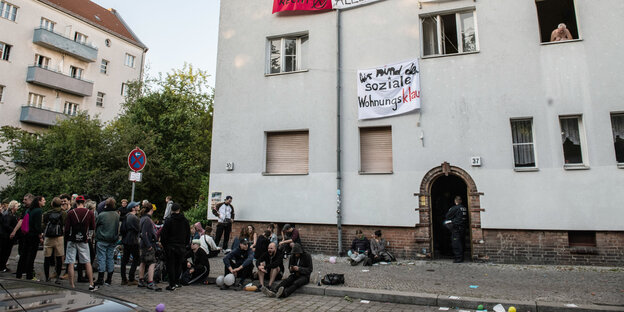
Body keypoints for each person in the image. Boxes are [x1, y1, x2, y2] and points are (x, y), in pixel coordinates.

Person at [64, 196, 97, 291]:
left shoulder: (71, 213)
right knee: (87, 261)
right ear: (84, 202)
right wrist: (89, 237)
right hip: (84, 239)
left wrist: (66, 240)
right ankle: (91, 283)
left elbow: (66, 229)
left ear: (76, 202)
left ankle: (72, 285)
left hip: (72, 239)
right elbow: (92, 227)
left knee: (71, 262)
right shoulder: (89, 213)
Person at [160, 203, 190, 291]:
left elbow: (164, 235)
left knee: (171, 265)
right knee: (178, 265)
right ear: (179, 210)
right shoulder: (185, 221)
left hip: (171, 246)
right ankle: (177, 282)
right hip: (181, 246)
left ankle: (172, 284)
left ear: (172, 210)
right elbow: (188, 234)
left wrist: (164, 245)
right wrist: (185, 245)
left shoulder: (169, 221)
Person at [16, 195, 44, 281]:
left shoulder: (28, 210)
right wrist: (40, 236)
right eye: (43, 200)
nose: (44, 202)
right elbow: (37, 226)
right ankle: (30, 275)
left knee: (23, 255)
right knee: (31, 256)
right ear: (38, 201)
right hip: (33, 235)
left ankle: (19, 274)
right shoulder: (38, 211)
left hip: (26, 234)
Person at [95, 198, 120, 286]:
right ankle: (109, 279)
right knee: (110, 258)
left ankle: (100, 278)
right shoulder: (116, 215)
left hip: (102, 239)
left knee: (102, 258)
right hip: (112, 239)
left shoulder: (102, 215)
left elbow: (96, 225)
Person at [138, 202, 162, 291]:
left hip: (143, 244)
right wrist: (149, 245)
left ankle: (141, 279)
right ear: (151, 210)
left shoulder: (142, 218)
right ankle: (150, 282)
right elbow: (144, 234)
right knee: (152, 262)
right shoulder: (147, 220)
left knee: (143, 262)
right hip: (148, 244)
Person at [42, 197, 66, 283]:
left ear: (52, 204)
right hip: (59, 237)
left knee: (47, 258)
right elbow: (64, 224)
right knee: (59, 258)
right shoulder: (63, 213)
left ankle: (47, 277)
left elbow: (43, 225)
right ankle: (57, 277)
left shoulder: (47, 214)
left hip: (48, 237)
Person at [120, 200, 140, 286]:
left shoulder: (126, 216)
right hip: (133, 240)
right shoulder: (134, 218)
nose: (138, 207)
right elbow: (138, 229)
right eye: (137, 206)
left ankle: (124, 278)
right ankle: (131, 278)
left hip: (126, 240)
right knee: (136, 259)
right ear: (133, 208)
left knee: (125, 259)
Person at [445, 196, 468, 263]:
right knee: (461, 242)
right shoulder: (464, 208)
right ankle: (462, 257)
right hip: (463, 227)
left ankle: (458, 258)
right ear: (461, 201)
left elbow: (447, 216)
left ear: (455, 201)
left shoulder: (455, 208)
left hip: (456, 228)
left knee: (456, 243)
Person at [0, 200, 19, 272]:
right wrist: (14, 230)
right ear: (13, 207)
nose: (18, 207)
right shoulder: (9, 215)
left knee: (5, 252)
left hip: (7, 236)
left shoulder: (11, 214)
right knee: (5, 252)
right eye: (17, 206)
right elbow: (6, 225)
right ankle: (2, 266)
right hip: (6, 236)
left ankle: (2, 266)